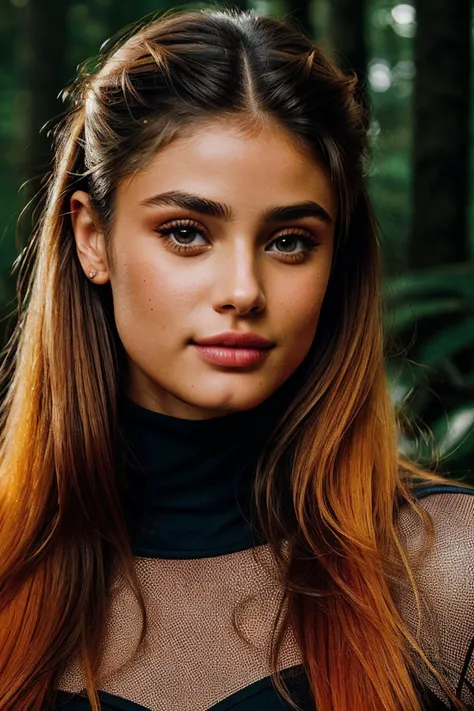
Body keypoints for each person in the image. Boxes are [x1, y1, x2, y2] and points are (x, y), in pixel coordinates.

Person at [0, 8, 472, 711]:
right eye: (187, 232)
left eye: (289, 241)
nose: (244, 291)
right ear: (92, 237)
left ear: (335, 256)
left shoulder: (448, 571)